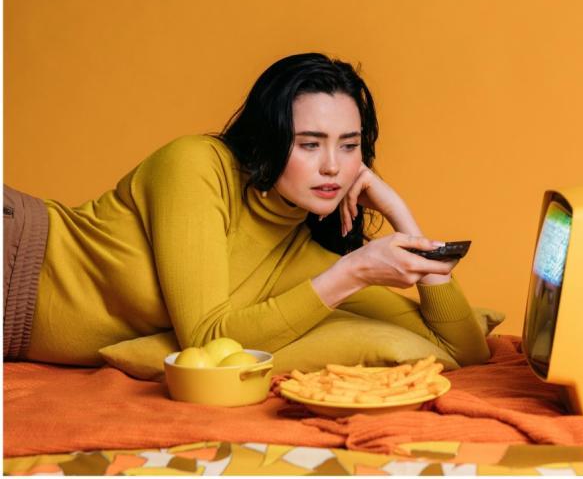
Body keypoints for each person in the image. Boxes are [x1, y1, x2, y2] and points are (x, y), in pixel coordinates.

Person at [3, 52, 490, 368]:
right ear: (267, 139)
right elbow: (206, 338)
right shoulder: (197, 166)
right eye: (309, 143)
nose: (332, 167)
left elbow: (463, 351)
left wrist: (402, 216)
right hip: (16, 253)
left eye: (348, 145)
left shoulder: (306, 260)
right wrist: (354, 273)